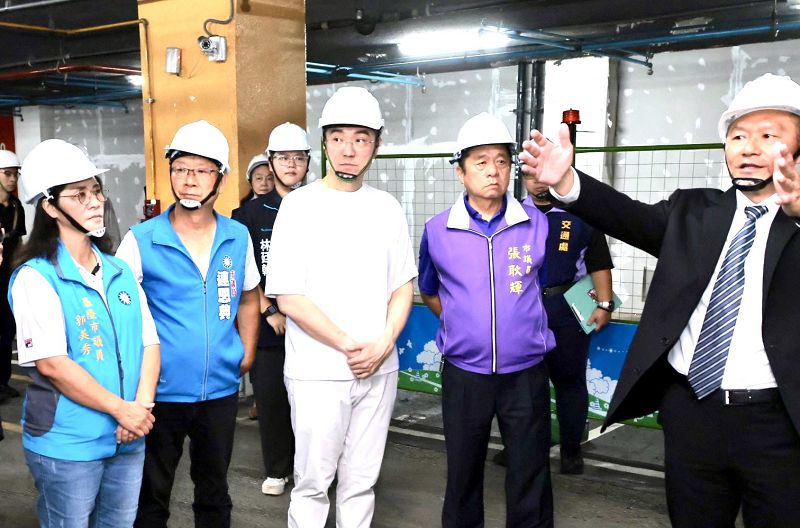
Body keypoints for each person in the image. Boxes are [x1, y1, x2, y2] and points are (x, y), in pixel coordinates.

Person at [520, 73, 800, 527]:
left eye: (769, 136)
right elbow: (626, 216)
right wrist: (568, 181)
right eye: (738, 136)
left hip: (778, 422)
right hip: (691, 412)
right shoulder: (693, 211)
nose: (749, 148)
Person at [264, 87, 417, 528]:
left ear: (376, 144)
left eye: (361, 138)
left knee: (362, 481)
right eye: (338, 138)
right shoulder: (299, 206)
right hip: (318, 371)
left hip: (379, 369)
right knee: (312, 483)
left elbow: (402, 286)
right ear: (325, 142)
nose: (349, 149)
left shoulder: (387, 208)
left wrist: (383, 344)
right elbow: (288, 296)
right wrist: (350, 345)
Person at [116, 120, 261, 528]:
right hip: (159, 391)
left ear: (222, 178)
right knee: (152, 493)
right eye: (180, 169)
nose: (189, 180)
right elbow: (120, 312)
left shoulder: (237, 236)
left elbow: (249, 296)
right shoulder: (141, 239)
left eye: (201, 170)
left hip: (219, 390)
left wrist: (247, 352)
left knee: (214, 491)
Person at [9, 139, 160, 527]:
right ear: (50, 206)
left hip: (128, 434)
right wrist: (122, 410)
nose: (96, 202)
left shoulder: (119, 271)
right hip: (68, 444)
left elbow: (149, 343)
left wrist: (138, 410)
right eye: (80, 195)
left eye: (96, 190)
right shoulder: (36, 278)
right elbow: (53, 364)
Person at [418, 112, 555, 528]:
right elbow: (430, 290)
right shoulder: (438, 230)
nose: (493, 171)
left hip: (526, 373)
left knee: (530, 472)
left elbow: (542, 287)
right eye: (480, 162)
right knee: (462, 472)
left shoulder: (536, 224)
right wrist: (464, 325)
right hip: (465, 375)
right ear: (460, 172)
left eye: (501, 161)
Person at [494, 176, 614, 474]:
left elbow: (599, 262)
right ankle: (518, 447)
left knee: (570, 382)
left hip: (566, 311)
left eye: (543, 175)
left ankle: (571, 450)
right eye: (530, 176)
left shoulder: (581, 215)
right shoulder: (509, 215)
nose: (538, 182)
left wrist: (604, 304)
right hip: (520, 310)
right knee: (518, 384)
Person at [232, 122, 311, 496]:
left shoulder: (320, 206)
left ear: (308, 161)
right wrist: (269, 311)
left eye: (298, 157)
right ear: (271, 161)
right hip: (271, 328)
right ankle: (278, 469)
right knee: (273, 400)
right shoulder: (248, 215)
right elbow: (246, 272)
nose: (291, 165)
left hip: (313, 326)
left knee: (312, 407)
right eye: (284, 158)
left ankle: (310, 470)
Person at [0, 148, 25, 404]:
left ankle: (3, 382)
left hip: (8, 279)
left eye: (15, 174)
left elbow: (18, 242)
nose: (12, 179)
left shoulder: (17, 207)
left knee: (7, 332)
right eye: (7, 173)